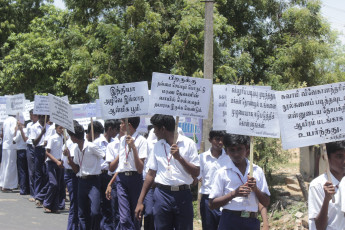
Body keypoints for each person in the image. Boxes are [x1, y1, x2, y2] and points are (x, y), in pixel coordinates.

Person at [135, 114, 199, 230]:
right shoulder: (157, 146)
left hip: (183, 195)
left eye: (155, 128)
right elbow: (150, 174)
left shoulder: (189, 144)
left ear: (163, 129)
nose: (154, 132)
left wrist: (179, 158)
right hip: (162, 195)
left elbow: (196, 172)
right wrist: (140, 201)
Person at [208, 134, 270, 230]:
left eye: (239, 149)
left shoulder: (257, 171)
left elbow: (266, 202)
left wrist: (255, 189)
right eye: (232, 150)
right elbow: (212, 204)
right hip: (230, 220)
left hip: (251, 221)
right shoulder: (222, 172)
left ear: (247, 150)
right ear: (227, 151)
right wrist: (234, 194)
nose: (236, 154)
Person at [64, 122, 105, 230]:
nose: (70, 138)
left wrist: (104, 170)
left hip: (94, 182)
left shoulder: (91, 147)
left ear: (74, 137)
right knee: (82, 213)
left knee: (95, 211)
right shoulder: (76, 149)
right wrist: (69, 158)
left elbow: (105, 156)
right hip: (81, 181)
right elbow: (76, 169)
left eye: (70, 136)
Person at [113, 117, 147, 230]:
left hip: (135, 179)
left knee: (135, 214)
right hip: (122, 179)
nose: (120, 125)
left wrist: (133, 148)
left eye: (122, 123)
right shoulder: (122, 139)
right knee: (124, 218)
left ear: (129, 125)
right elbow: (121, 164)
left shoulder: (141, 140)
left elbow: (140, 168)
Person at [308, 141, 345, 229]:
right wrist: (326, 199)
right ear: (327, 157)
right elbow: (319, 227)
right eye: (339, 156)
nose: (344, 161)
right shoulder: (317, 185)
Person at [198, 130, 226, 230]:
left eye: (223, 140)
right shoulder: (202, 158)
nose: (220, 142)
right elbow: (198, 177)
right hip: (208, 199)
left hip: (226, 199)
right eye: (217, 139)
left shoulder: (229, 157)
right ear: (210, 140)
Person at [105, 119, 123, 229]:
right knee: (116, 212)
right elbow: (111, 168)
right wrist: (121, 154)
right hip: (116, 181)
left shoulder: (135, 143)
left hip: (130, 181)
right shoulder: (112, 146)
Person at [61, 121, 79, 230]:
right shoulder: (68, 143)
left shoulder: (76, 142)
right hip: (71, 174)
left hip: (74, 174)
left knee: (77, 203)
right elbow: (67, 162)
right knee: (74, 203)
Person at [43, 124, 64, 213]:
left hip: (60, 163)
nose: (61, 129)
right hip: (51, 162)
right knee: (53, 183)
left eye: (62, 128)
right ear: (55, 128)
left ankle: (55, 206)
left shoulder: (63, 138)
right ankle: (46, 203)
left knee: (58, 185)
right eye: (60, 128)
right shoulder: (52, 138)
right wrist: (56, 161)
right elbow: (47, 152)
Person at [0, 115, 18, 192]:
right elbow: (12, 132)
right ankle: (6, 185)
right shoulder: (14, 120)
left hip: (5, 144)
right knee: (10, 166)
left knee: (4, 165)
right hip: (11, 145)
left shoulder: (6, 120)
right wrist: (17, 128)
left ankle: (2, 184)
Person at [13, 120, 30, 195]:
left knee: (22, 171)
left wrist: (15, 131)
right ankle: (28, 188)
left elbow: (14, 140)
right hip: (27, 151)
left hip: (20, 151)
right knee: (27, 170)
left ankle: (23, 189)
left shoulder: (20, 131)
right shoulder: (29, 130)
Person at [26, 110, 39, 201]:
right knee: (31, 171)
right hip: (30, 147)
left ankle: (38, 193)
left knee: (38, 171)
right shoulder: (29, 125)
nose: (32, 118)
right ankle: (32, 193)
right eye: (31, 116)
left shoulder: (40, 126)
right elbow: (27, 137)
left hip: (38, 147)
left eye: (33, 116)